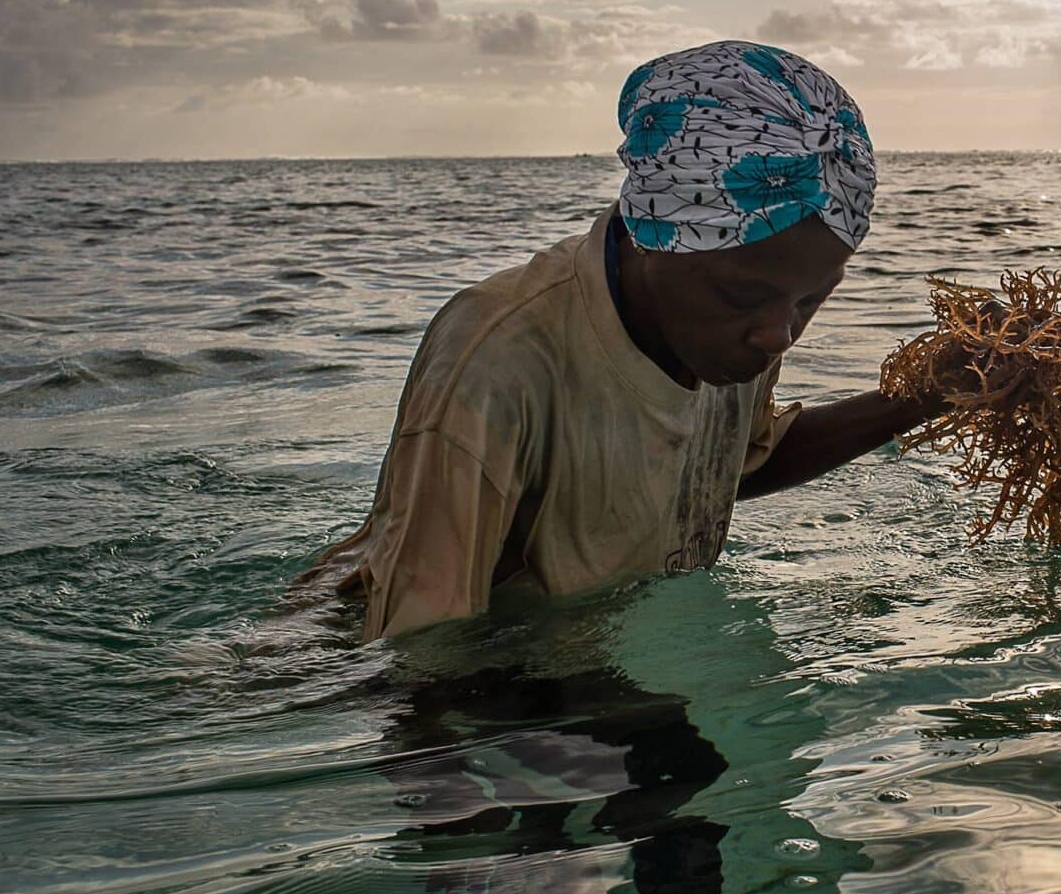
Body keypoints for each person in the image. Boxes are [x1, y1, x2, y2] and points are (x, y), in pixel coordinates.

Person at [299, 39, 972, 641]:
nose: (780, 334)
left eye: (811, 297)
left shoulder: (738, 318)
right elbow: (418, 653)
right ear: (655, 238)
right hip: (335, 656)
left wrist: (928, 394)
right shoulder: (498, 358)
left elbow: (729, 465)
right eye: (744, 298)